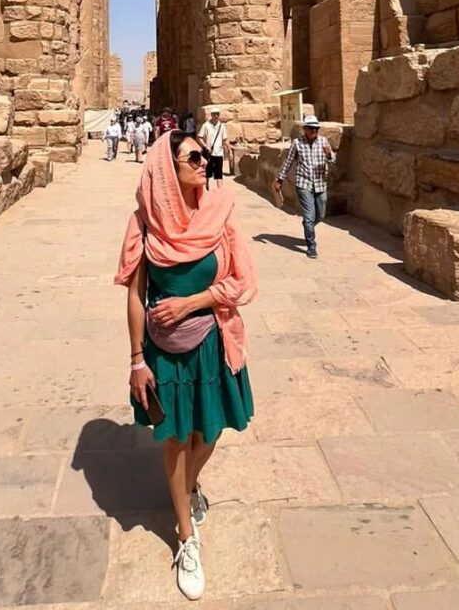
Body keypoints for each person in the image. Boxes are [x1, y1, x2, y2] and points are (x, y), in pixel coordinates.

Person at [116, 130, 257, 601]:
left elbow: (242, 281)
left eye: (205, 156)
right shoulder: (144, 222)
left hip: (213, 340)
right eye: (193, 157)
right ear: (166, 169)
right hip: (163, 351)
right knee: (176, 439)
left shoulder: (222, 211)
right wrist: (136, 361)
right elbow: (136, 297)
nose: (204, 163)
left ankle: (187, 486)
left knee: (209, 432)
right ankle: (185, 535)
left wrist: (191, 301)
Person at [272, 114, 336, 259]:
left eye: (316, 128)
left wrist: (329, 155)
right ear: (305, 129)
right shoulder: (297, 143)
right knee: (309, 215)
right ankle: (311, 245)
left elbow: (333, 161)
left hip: (320, 183)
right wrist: (280, 179)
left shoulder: (323, 141)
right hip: (303, 183)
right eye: (311, 128)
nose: (314, 131)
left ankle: (308, 227)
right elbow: (288, 162)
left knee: (321, 214)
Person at [197, 108, 229, 190]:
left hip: (219, 153)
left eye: (217, 114)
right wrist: (205, 146)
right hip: (209, 153)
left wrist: (230, 151)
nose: (216, 116)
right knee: (208, 172)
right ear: (211, 115)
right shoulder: (206, 125)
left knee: (219, 173)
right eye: (214, 114)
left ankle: (220, 190)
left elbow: (225, 139)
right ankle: (207, 187)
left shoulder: (222, 126)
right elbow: (199, 137)